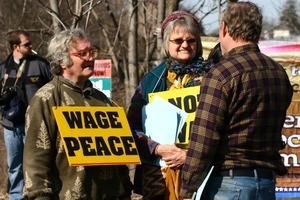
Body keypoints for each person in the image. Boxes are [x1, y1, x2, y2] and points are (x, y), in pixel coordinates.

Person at [180, 2, 293, 200]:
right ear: (256, 30)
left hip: (229, 184)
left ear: (224, 28)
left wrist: (187, 187)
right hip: (267, 183)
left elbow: (204, 139)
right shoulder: (279, 74)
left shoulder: (221, 74)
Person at [22, 28, 132, 200]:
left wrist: (124, 190)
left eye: (92, 51)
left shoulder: (104, 101)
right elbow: (35, 162)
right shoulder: (46, 99)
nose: (91, 58)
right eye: (83, 53)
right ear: (62, 61)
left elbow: (119, 158)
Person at [127, 11, 210, 200]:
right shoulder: (152, 80)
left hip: (199, 174)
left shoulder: (213, 77)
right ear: (167, 43)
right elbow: (131, 126)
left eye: (191, 40)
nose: (185, 45)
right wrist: (156, 148)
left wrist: (191, 155)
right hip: (157, 174)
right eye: (178, 40)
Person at [0, 30, 52, 200]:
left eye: (30, 43)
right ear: (15, 47)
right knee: (14, 166)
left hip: (36, 125)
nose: (31, 46)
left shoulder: (41, 64)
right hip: (11, 126)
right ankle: (16, 196)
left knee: (37, 164)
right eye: (26, 44)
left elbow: (55, 88)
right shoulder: (3, 68)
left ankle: (38, 195)